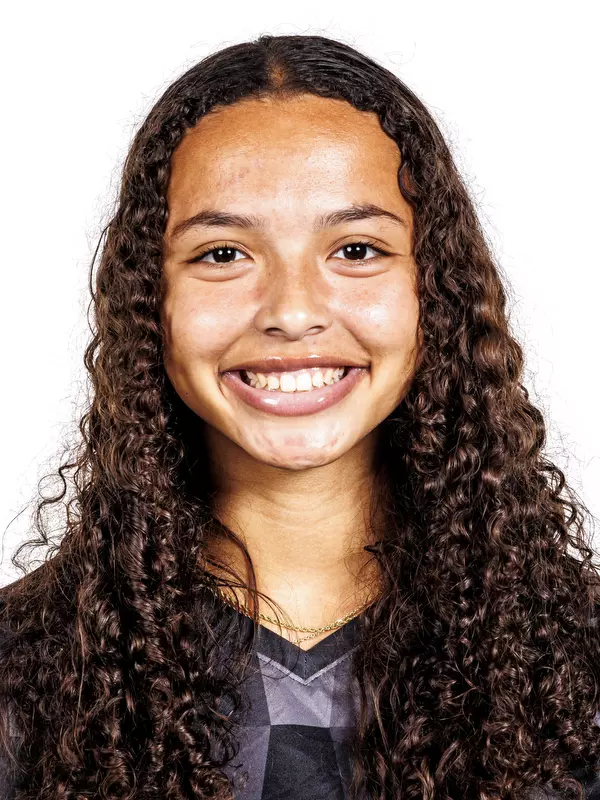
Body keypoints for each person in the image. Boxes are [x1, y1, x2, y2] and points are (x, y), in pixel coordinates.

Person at [0, 33, 599, 800]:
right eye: (223, 254)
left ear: (435, 288)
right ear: (149, 301)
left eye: (356, 249)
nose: (291, 311)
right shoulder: (22, 679)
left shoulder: (578, 666)